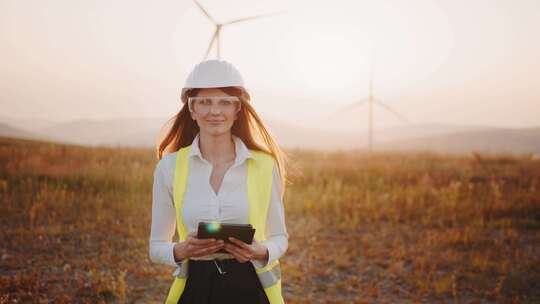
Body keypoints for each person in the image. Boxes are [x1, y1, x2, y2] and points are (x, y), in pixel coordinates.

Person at [149, 59, 289, 304]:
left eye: (225, 102)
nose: (215, 111)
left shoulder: (265, 165)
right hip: (195, 288)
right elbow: (155, 247)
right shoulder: (169, 167)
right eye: (205, 102)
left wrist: (262, 250)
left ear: (237, 110)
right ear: (192, 110)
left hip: (251, 289)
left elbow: (280, 238)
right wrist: (180, 250)